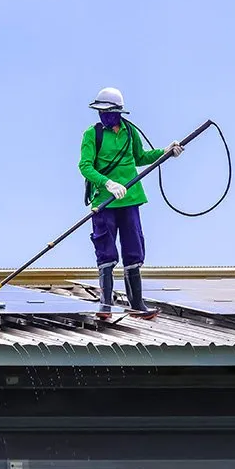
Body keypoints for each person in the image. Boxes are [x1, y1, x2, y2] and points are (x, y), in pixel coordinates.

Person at [78, 87, 184, 320]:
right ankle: (105, 304)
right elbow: (85, 166)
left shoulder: (130, 131)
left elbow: (140, 157)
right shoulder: (92, 134)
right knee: (106, 250)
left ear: (118, 112)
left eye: (108, 112)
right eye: (101, 112)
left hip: (131, 198)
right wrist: (107, 183)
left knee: (133, 249)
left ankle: (136, 304)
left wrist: (165, 152)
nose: (104, 116)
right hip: (105, 201)